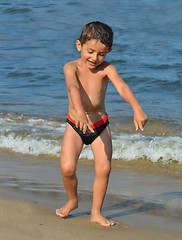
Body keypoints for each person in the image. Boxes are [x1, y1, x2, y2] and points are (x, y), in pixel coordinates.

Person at [56, 21, 148, 227]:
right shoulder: (70, 67)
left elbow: (122, 87)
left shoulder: (108, 69)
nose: (95, 58)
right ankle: (73, 201)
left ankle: (96, 212)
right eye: (90, 51)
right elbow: (72, 88)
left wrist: (137, 108)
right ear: (79, 45)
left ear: (109, 52)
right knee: (67, 168)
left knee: (104, 169)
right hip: (75, 124)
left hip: (100, 126)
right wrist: (79, 112)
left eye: (102, 54)